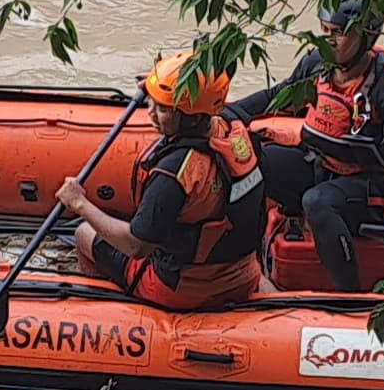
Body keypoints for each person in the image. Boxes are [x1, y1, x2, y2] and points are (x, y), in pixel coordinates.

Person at [233, 0, 384, 292]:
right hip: (324, 165)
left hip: (372, 185)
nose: (328, 39)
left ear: (365, 35)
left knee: (317, 201)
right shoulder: (317, 64)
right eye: (324, 29)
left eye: (337, 32)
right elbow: (277, 97)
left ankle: (347, 294)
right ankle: (244, 263)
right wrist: (228, 112)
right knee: (251, 161)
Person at [63, 53, 271, 310]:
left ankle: (104, 310)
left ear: (191, 117)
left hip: (182, 288)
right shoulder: (229, 124)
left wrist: (79, 203)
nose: (150, 110)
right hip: (242, 273)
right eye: (153, 101)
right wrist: (156, 88)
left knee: (83, 233)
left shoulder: (173, 175)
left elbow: (136, 246)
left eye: (162, 107)